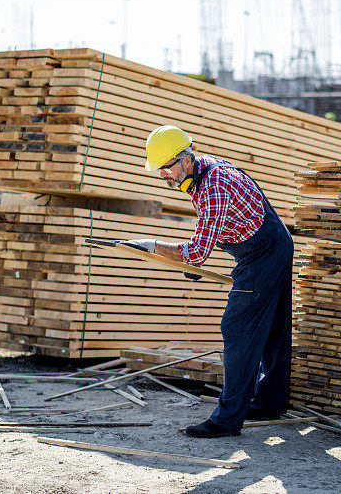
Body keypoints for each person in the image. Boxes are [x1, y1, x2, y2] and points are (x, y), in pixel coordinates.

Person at [122, 125, 294, 438]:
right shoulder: (200, 176)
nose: (162, 175)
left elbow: (199, 251)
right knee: (271, 327)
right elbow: (210, 231)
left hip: (264, 252)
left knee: (237, 325)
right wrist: (189, 258)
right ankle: (270, 401)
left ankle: (227, 420)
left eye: (164, 168)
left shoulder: (213, 184)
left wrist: (152, 246)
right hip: (270, 243)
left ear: (185, 160)